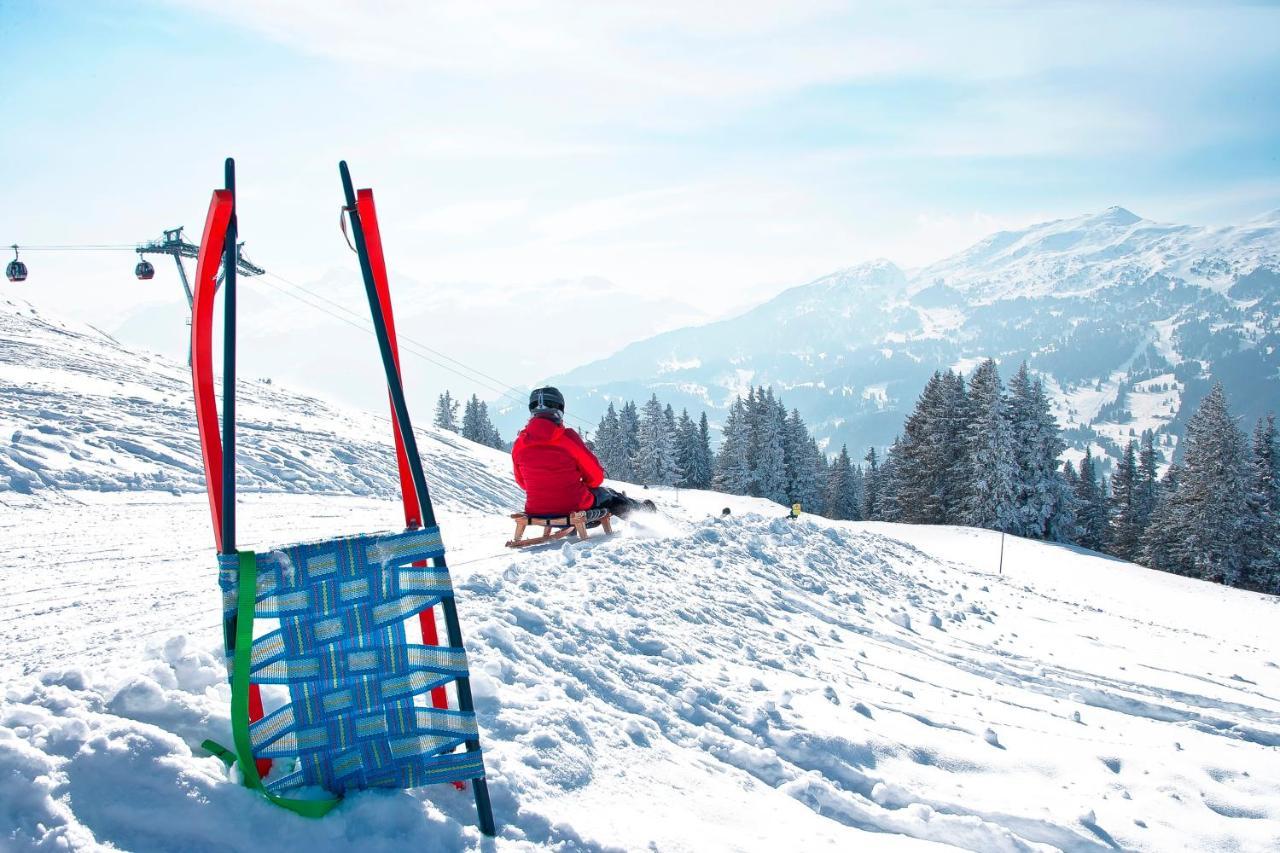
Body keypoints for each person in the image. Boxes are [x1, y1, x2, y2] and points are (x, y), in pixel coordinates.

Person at [511, 387, 654, 519]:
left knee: (601, 495)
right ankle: (642, 512)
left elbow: (522, 482)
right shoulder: (567, 438)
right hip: (574, 505)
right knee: (609, 495)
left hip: (536, 509)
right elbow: (596, 476)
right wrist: (581, 484)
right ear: (559, 409)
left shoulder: (519, 444)